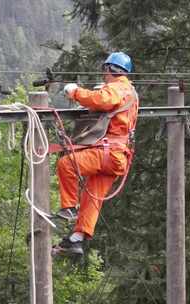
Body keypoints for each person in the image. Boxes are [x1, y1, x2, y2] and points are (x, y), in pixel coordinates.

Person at [53, 52, 139, 255]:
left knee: (67, 164)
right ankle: (76, 238)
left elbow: (102, 100)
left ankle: (68, 208)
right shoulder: (131, 91)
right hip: (117, 157)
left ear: (110, 69)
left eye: (105, 70)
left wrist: (75, 92)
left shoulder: (118, 88)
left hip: (109, 153)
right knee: (93, 197)